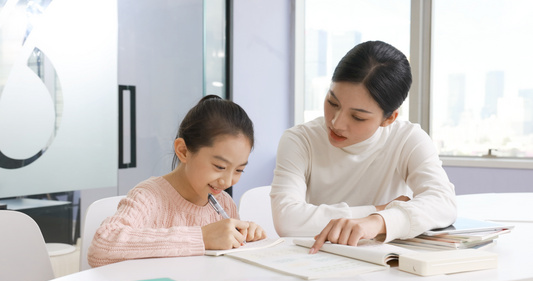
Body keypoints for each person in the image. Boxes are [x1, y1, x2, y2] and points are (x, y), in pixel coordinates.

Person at [270, 40, 457, 253]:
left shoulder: (407, 139)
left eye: (358, 117)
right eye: (333, 103)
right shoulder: (300, 140)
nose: (336, 123)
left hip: (385, 263)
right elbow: (287, 221)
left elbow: (443, 203)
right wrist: (379, 209)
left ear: (389, 118)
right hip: (320, 258)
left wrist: (378, 222)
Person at [88, 95, 266, 267]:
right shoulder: (148, 197)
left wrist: (245, 239)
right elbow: (101, 247)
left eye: (239, 170)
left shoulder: (225, 204)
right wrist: (201, 237)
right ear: (183, 151)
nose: (227, 181)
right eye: (219, 167)